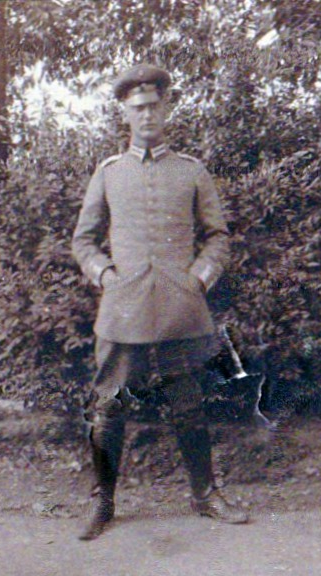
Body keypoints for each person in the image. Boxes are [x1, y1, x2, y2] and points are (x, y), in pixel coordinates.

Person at [72, 63, 248, 541]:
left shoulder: (191, 171)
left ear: (165, 108)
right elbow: (83, 241)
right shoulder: (109, 173)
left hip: (179, 304)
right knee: (109, 404)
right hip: (124, 305)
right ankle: (103, 501)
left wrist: (199, 279)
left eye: (154, 106)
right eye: (138, 108)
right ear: (125, 113)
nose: (147, 115)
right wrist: (105, 275)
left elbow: (218, 237)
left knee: (188, 402)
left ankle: (205, 494)